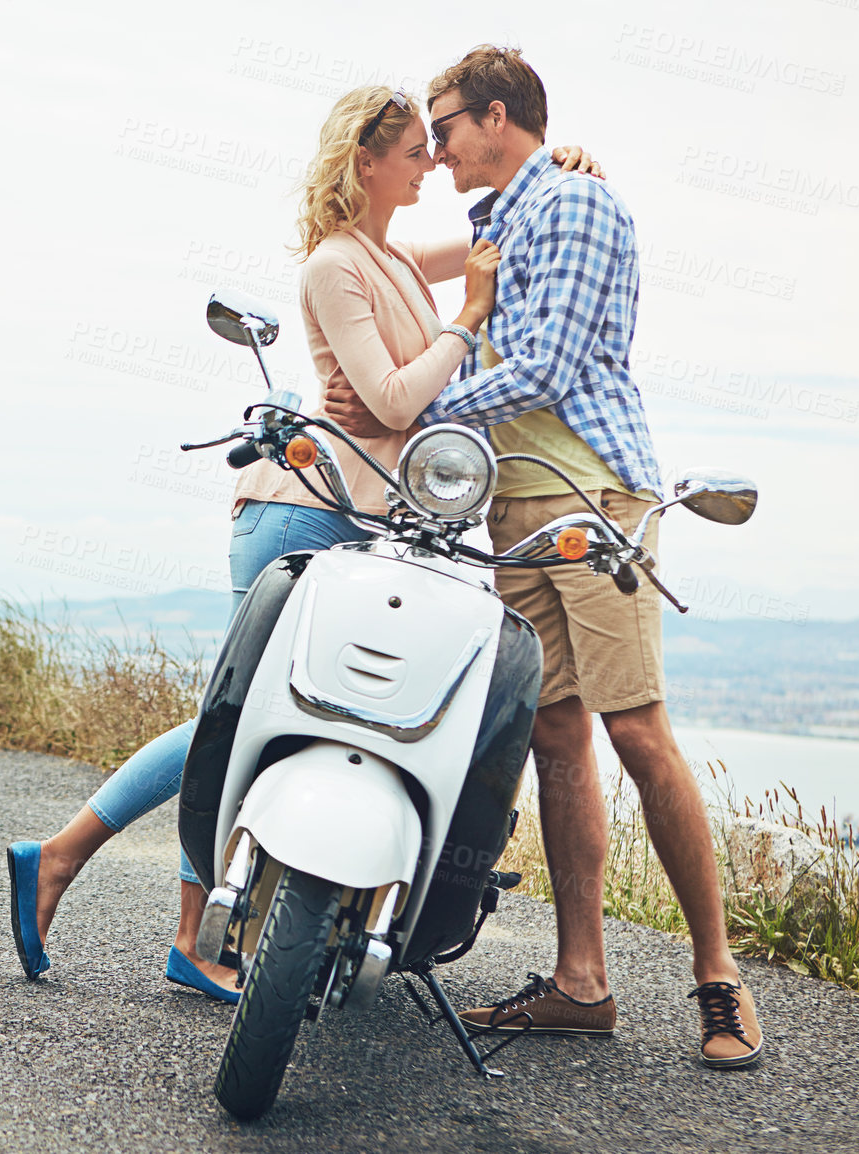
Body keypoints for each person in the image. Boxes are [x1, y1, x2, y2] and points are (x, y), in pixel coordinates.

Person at [7, 84, 600, 1001]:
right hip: (301, 510)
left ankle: (188, 935)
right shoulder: (335, 264)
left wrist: (563, 170)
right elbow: (400, 399)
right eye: (414, 150)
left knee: (255, 719)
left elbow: (495, 243)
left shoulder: (392, 253)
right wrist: (466, 322)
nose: (433, 162)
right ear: (366, 160)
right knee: (239, 718)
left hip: (359, 518)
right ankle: (68, 861)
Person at [323, 45, 764, 1069]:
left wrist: (410, 407)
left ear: (493, 115)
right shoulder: (499, 218)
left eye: (444, 130)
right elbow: (421, 284)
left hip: (591, 499)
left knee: (638, 734)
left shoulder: (570, 205)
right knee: (555, 735)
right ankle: (581, 982)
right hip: (514, 503)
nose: (434, 151)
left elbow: (548, 366)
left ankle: (718, 976)